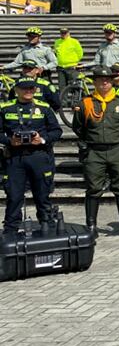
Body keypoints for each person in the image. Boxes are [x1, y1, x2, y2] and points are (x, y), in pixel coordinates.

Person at [71, 65, 119, 237]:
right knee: (93, 189)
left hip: (118, 150)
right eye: (101, 81)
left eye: (107, 80)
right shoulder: (85, 103)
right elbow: (78, 127)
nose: (104, 84)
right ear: (95, 82)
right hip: (95, 152)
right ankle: (91, 226)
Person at [0, 78, 62, 237]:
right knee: (14, 197)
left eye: (31, 88)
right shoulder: (5, 108)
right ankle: (10, 230)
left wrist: (41, 139)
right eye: (24, 88)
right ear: (16, 89)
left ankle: (47, 226)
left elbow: (56, 131)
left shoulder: (44, 107)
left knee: (42, 195)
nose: (28, 91)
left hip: (39, 156)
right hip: (15, 158)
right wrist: (9, 141)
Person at [53, 27, 83, 93]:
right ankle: (64, 103)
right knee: (62, 87)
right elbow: (55, 53)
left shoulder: (74, 41)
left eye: (65, 33)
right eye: (62, 33)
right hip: (61, 68)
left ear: (68, 33)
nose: (64, 34)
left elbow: (80, 53)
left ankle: (77, 102)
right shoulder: (57, 42)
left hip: (72, 67)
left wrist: (74, 61)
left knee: (75, 86)